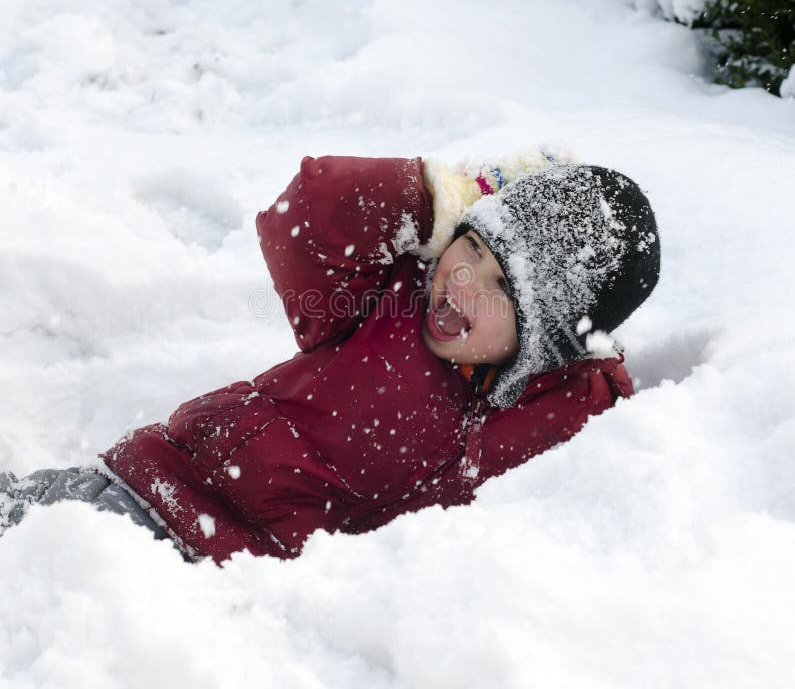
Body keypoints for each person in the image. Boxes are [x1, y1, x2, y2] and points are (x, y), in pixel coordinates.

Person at [0, 151, 660, 564]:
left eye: (500, 291)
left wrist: (589, 358)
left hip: (224, 573)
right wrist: (438, 194)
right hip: (145, 481)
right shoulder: (392, 299)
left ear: (545, 342)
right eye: (473, 249)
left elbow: (600, 432)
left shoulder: (546, 407)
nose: (463, 282)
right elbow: (303, 217)